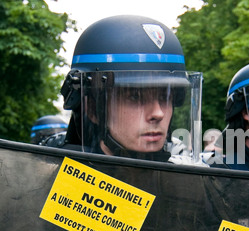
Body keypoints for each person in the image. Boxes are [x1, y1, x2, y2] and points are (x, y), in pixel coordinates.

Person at [55, 15, 203, 163]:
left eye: (165, 97)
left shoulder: (187, 182)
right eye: (135, 97)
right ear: (93, 109)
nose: (158, 113)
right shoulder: (56, 181)